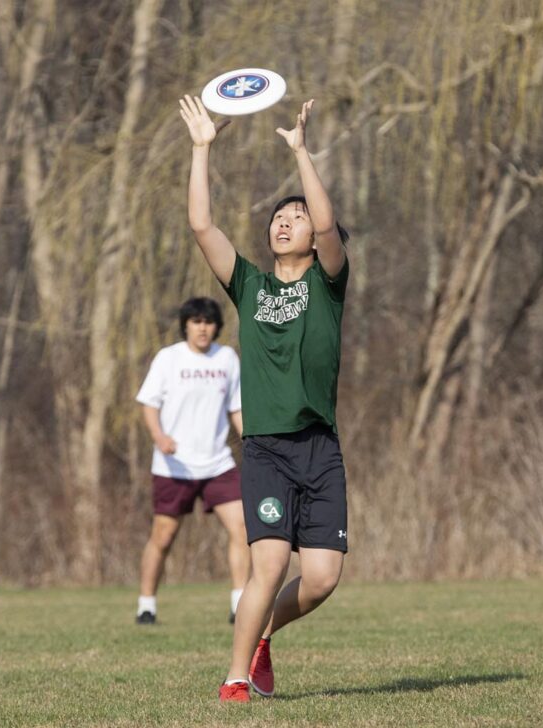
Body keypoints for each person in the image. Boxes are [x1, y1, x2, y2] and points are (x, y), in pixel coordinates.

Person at [178, 94, 352, 704]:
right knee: (270, 564)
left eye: (297, 216)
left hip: (320, 448)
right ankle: (234, 679)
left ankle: (262, 638)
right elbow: (202, 225)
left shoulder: (327, 284)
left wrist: (301, 153)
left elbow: (330, 227)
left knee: (324, 576)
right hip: (267, 450)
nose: (286, 221)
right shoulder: (249, 284)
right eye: (281, 215)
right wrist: (202, 150)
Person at [134, 297, 248, 626]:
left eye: (209, 322)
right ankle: (147, 604)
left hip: (217, 463)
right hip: (175, 466)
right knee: (163, 537)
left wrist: (251, 442)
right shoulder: (168, 358)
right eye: (196, 321)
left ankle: (239, 603)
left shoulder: (226, 358)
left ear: (216, 327)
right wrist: (159, 436)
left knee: (241, 528)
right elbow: (149, 403)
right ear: (186, 324)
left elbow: (235, 407)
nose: (203, 328)